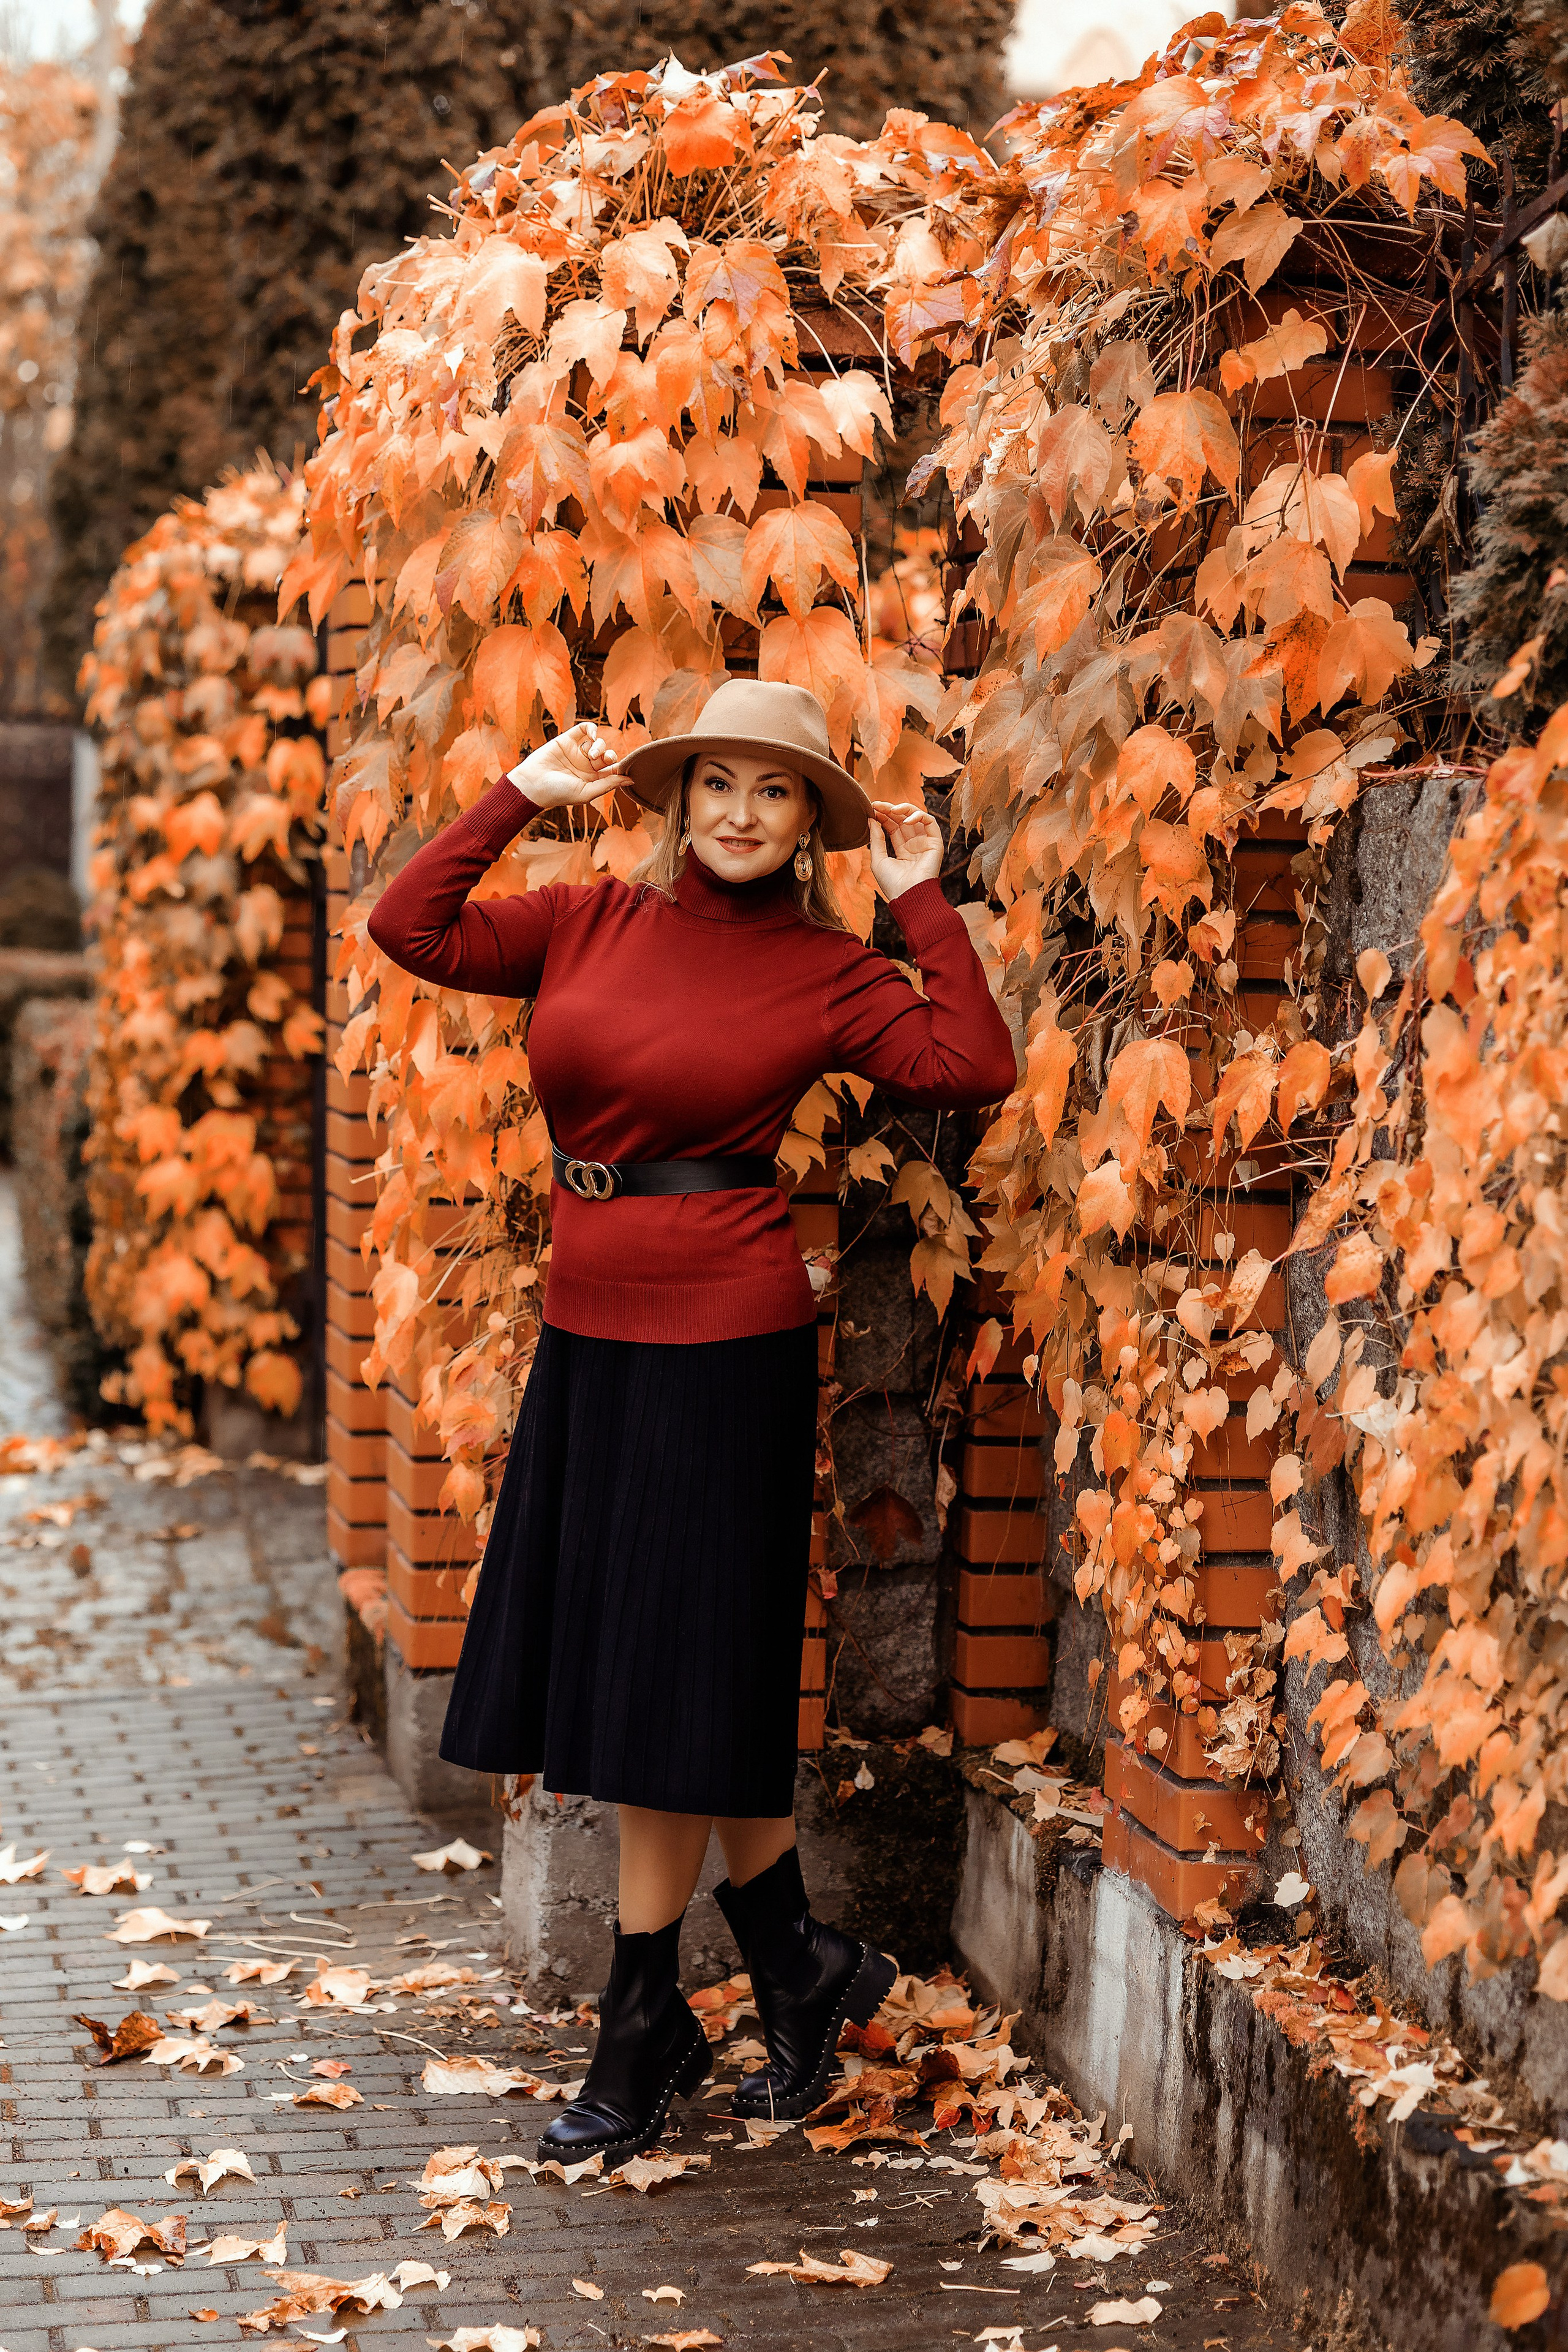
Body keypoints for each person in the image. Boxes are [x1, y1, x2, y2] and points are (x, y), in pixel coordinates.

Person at [367, 678, 1017, 2162]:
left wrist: (917, 902)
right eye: (714, 782)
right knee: (668, 1675)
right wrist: (517, 793)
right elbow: (408, 925)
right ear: (672, 799)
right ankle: (798, 1966)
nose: (737, 812)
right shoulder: (584, 918)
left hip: (723, 1339)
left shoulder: (822, 966)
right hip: (588, 1330)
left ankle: (641, 2017)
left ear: (808, 824)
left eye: (773, 791)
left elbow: (970, 1066)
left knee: (664, 1690)